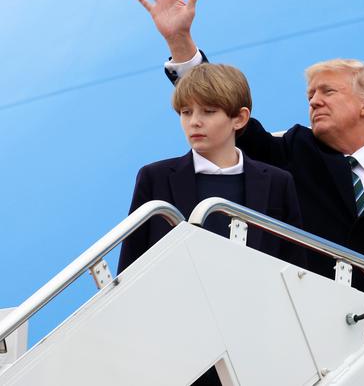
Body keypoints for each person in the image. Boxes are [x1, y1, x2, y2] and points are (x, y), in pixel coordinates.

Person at [135, 0, 364, 293]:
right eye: (310, 95)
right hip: (308, 324)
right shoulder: (293, 152)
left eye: (328, 92)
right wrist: (181, 43)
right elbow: (229, 112)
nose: (315, 101)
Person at [117, 63, 305, 275]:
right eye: (186, 112)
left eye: (208, 111)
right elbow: (130, 266)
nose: (194, 122)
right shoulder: (154, 178)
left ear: (240, 118)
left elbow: (294, 267)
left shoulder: (277, 182)